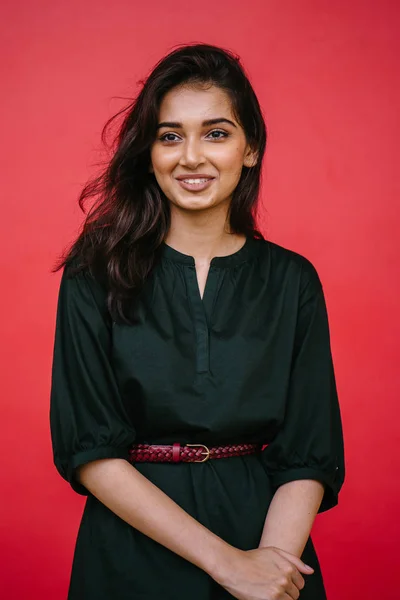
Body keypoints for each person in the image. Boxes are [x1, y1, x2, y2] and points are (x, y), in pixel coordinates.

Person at [49, 43, 345, 600]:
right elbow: (90, 448)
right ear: (150, 152)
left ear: (250, 147)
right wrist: (226, 564)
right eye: (169, 136)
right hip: (131, 549)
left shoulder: (293, 280)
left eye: (215, 133)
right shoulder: (94, 271)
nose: (191, 157)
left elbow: (309, 447)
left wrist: (268, 567)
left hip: (268, 539)